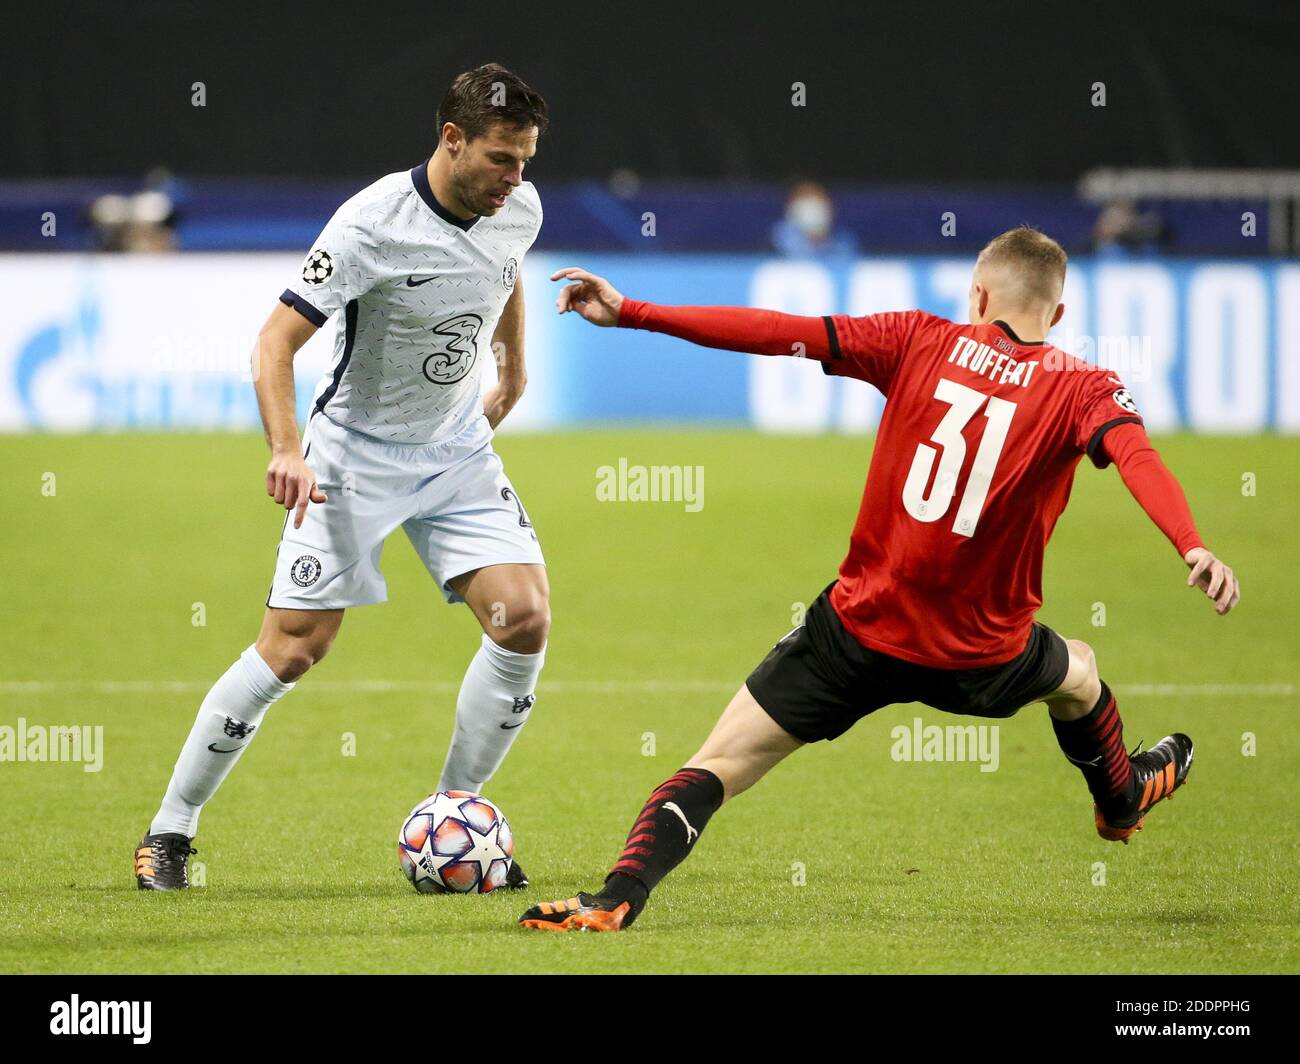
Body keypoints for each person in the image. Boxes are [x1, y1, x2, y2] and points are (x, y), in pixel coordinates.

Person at [519, 226, 1240, 932]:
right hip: (982, 656)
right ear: (1056, 316)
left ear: (978, 293)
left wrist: (636, 312)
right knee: (1080, 673)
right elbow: (1135, 454)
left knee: (717, 765)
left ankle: (615, 897)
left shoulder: (915, 339)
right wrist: (1191, 545)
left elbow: (775, 330)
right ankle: (1122, 801)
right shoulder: (1081, 385)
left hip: (857, 635)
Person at [135, 63, 550, 892]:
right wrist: (286, 449)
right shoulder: (372, 223)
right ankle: (169, 833)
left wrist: (512, 369)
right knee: (294, 649)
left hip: (456, 452)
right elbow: (273, 343)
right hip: (353, 458)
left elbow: (503, 275)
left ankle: (453, 816)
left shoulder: (519, 210)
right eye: (503, 159)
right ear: (452, 139)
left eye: (527, 160)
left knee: (523, 619)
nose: (517, 179)